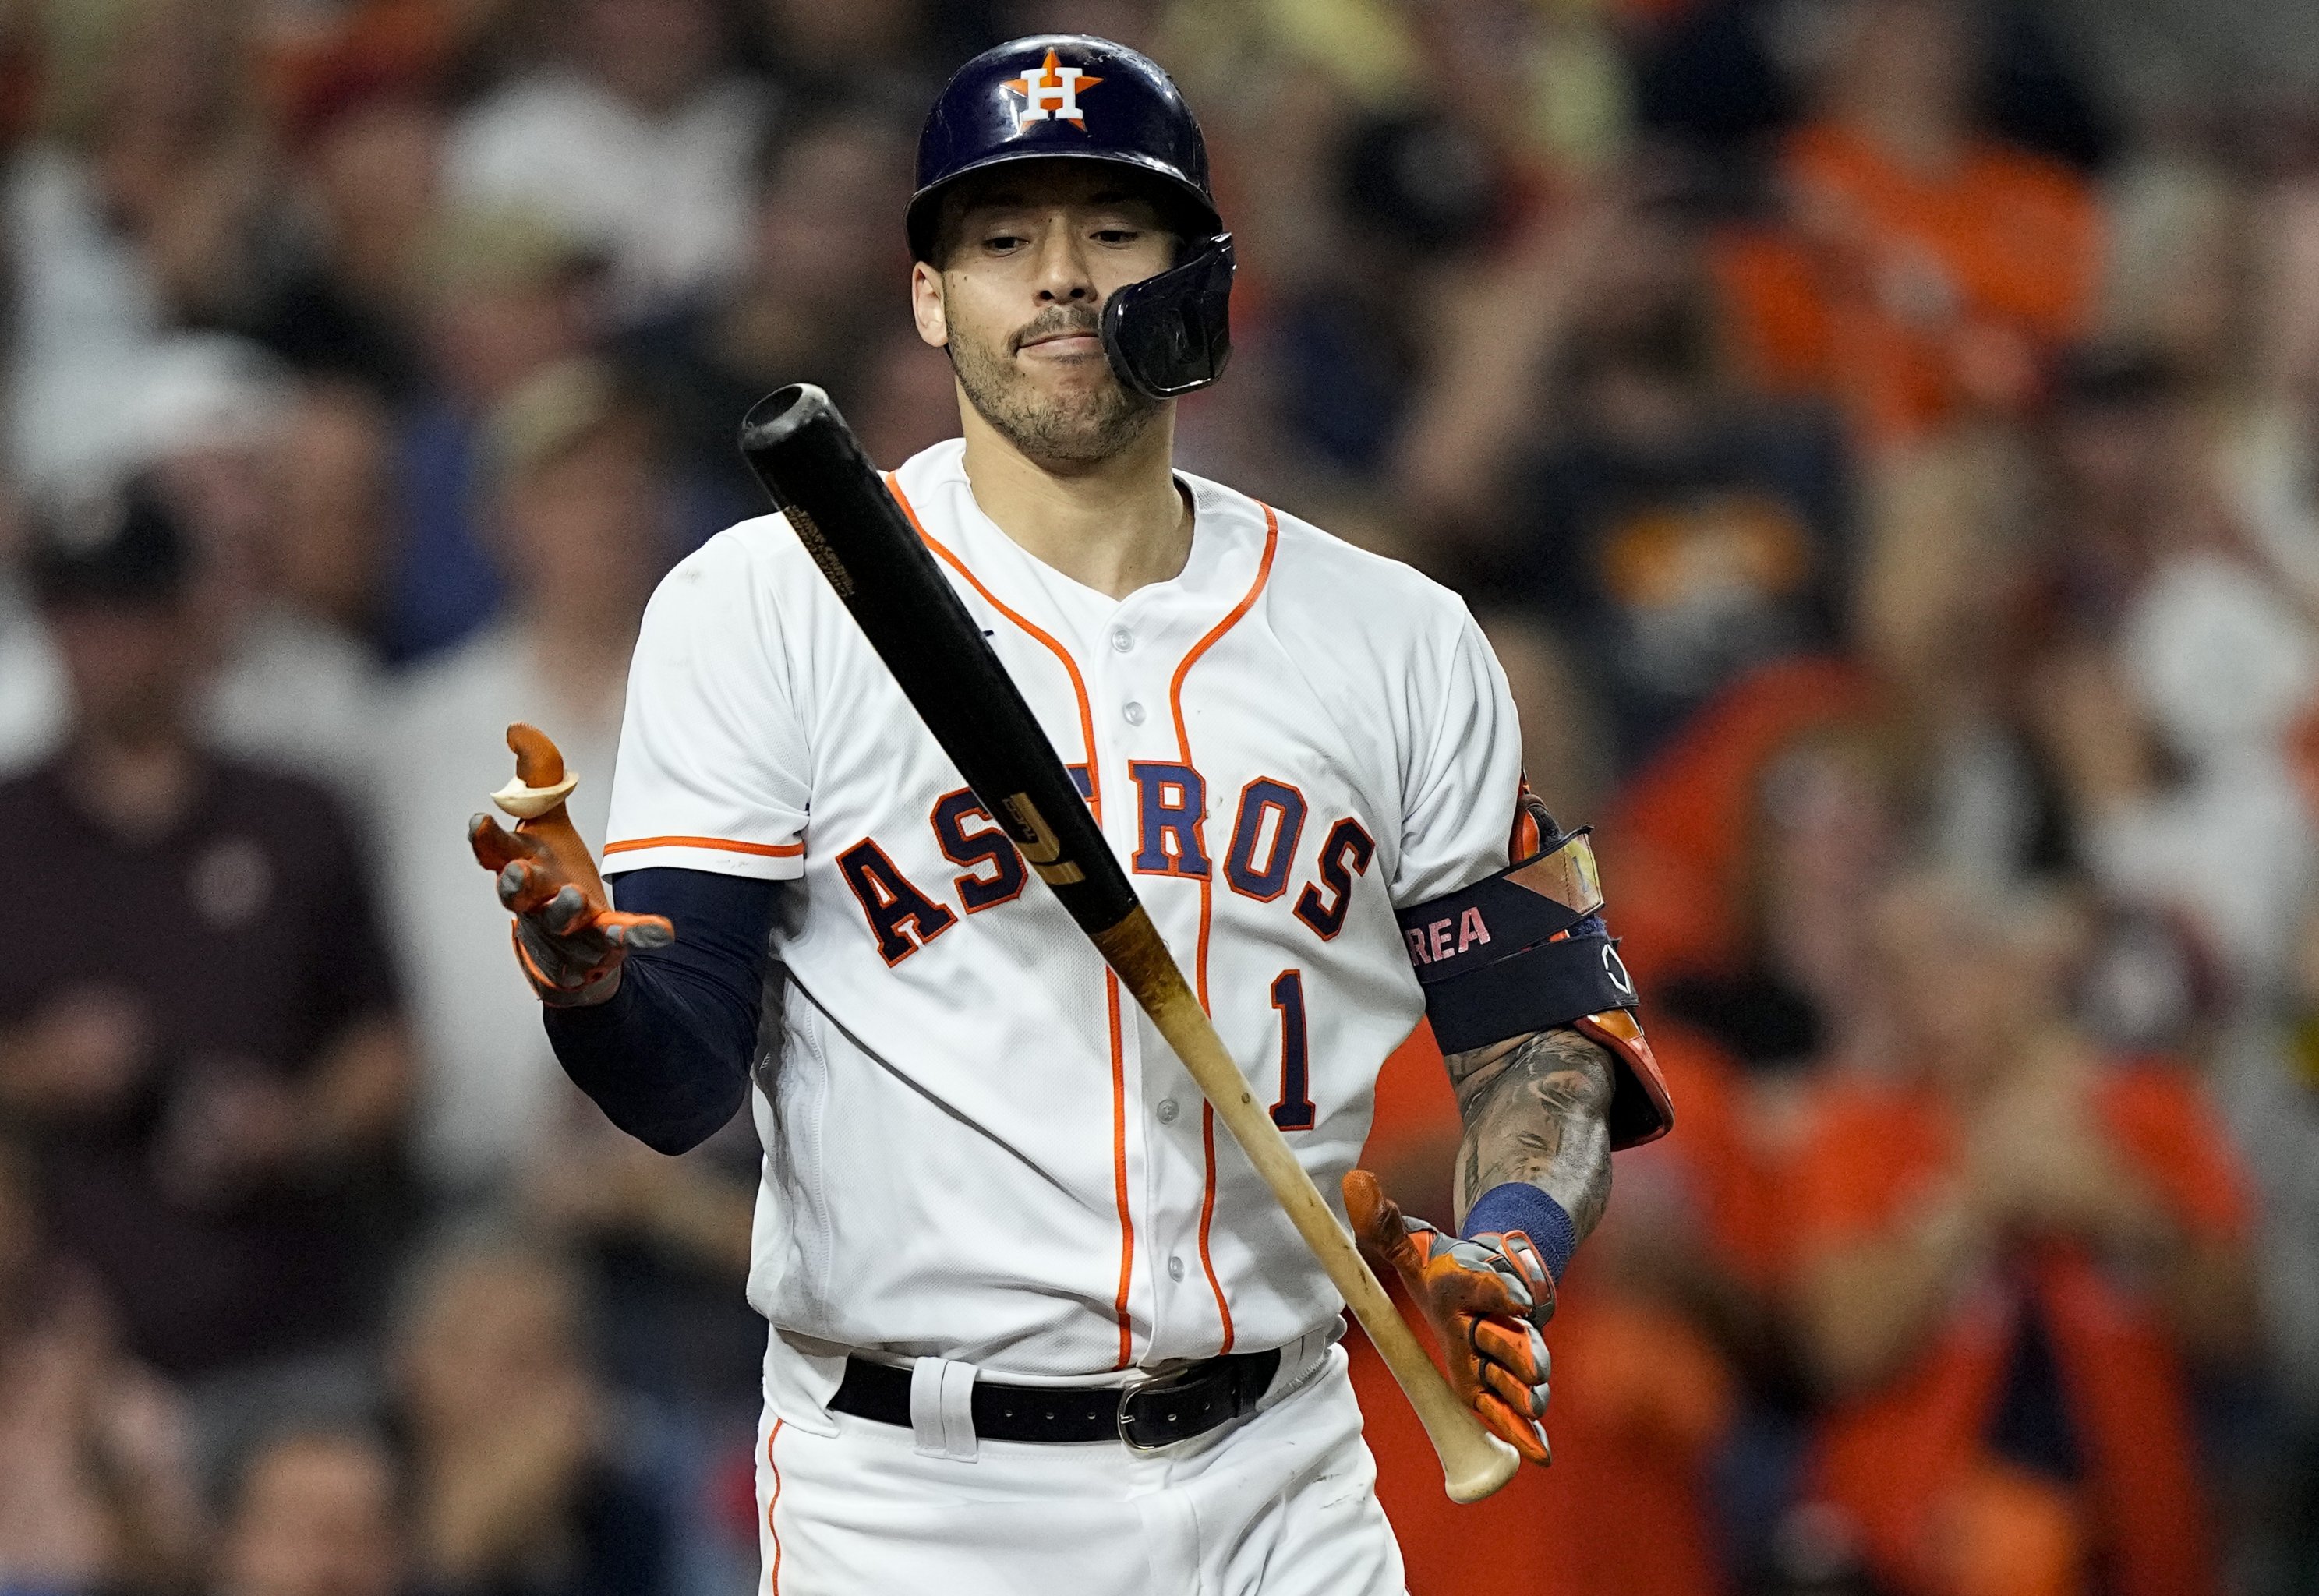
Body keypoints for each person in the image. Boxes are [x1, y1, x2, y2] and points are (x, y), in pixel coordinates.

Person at [465, 36, 1674, 1591]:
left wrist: (1507, 1243)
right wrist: (590, 975)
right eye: (997, 236)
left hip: (1281, 1473)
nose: (1053, 279)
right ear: (923, 294)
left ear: (1203, 286)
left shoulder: (1398, 636)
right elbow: (673, 1079)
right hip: (910, 1493)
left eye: (1109, 229)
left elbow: (1539, 1024)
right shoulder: (762, 601)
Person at [0, 482, 414, 1384]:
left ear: (191, 621)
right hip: (62, 1350)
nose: (100, 646)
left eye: (127, 613)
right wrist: (39, 1065)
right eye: (74, 616)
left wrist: (295, 1124)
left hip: (286, 1319)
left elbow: (387, 1049)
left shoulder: (296, 817)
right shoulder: (10, 833)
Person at [1793, 870, 2255, 1596]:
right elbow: (1843, 1348)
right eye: (1895, 974)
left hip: (2132, 1544)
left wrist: (2117, 1206)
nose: (1929, 992)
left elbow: (2238, 1330)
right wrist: (1973, 1201)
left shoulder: (2146, 1110)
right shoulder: (1857, 1133)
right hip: (1913, 1554)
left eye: (1951, 955)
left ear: (2012, 963)